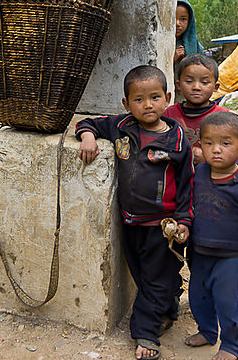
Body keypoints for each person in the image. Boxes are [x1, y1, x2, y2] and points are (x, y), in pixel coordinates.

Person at [76, 65, 193, 360]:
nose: (147, 105)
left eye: (155, 97)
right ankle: (169, 306)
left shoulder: (177, 140)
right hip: (131, 221)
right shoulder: (122, 126)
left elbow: (186, 185)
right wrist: (88, 137)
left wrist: (184, 220)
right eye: (139, 99)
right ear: (127, 104)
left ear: (167, 98)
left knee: (154, 278)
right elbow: (88, 122)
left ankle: (146, 334)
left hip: (162, 225)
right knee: (143, 274)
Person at [184, 112, 238, 360]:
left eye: (225, 143)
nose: (216, 150)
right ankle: (207, 331)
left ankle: (231, 345)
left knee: (228, 302)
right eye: (208, 143)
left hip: (229, 257)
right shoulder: (199, 174)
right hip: (198, 252)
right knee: (198, 297)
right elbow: (189, 205)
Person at [164, 54, 228, 164]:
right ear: (178, 84)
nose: (196, 87)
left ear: (215, 87)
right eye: (189, 81)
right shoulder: (169, 114)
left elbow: (233, 150)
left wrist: (208, 158)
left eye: (204, 82)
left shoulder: (223, 116)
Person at [174, 0, 204, 64]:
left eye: (183, 19)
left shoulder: (196, 47)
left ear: (190, 21)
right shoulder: (158, 44)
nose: (177, 23)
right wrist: (172, 59)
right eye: (173, 18)